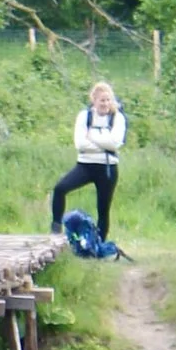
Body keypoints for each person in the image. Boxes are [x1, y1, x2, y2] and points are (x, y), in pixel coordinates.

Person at [51, 81, 127, 239]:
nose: (105, 104)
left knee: (103, 208)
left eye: (108, 100)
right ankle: (56, 230)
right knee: (60, 188)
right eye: (102, 100)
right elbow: (80, 144)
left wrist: (92, 136)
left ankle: (99, 244)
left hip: (107, 168)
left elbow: (115, 143)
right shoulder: (84, 116)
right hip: (85, 165)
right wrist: (104, 143)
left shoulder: (118, 118)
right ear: (94, 100)